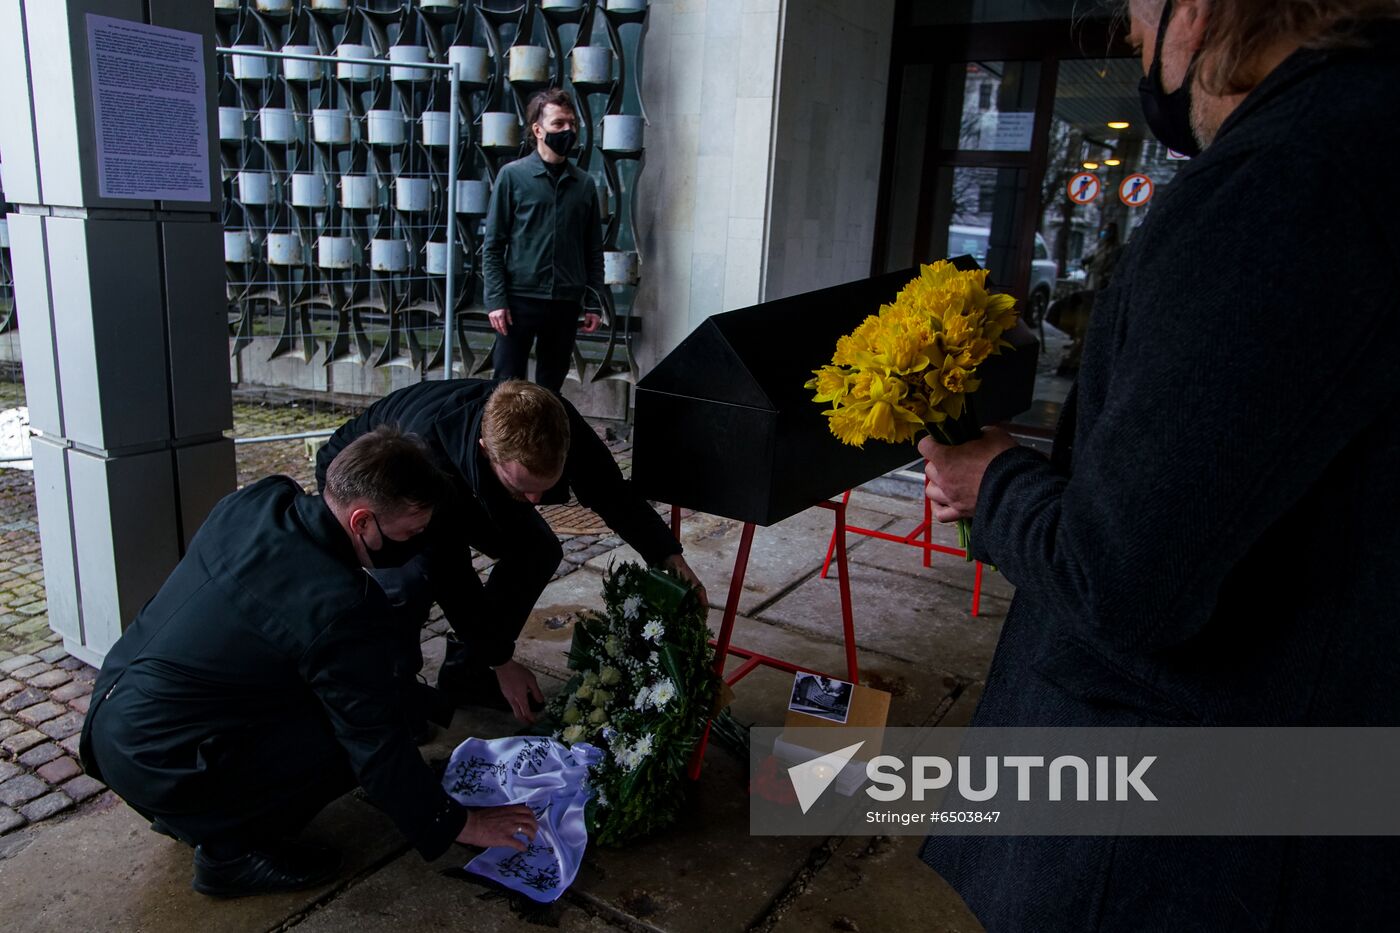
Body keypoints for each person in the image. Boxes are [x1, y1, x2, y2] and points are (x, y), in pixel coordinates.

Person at [918, 0, 1400, 929]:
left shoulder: (1289, 180)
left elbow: (1126, 574)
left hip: (1164, 845)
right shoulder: (1361, 140)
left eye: (1139, 9)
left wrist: (995, 482)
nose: (1136, 40)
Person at [79, 428, 539, 898]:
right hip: (161, 761)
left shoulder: (262, 499)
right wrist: (460, 823)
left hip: (112, 719)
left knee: (359, 699)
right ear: (362, 522)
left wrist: (426, 701)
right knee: (353, 740)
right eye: (410, 533)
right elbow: (374, 743)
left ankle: (196, 810)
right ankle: (228, 854)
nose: (418, 544)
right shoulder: (340, 606)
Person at [315, 378, 707, 725]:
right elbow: (451, 573)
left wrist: (668, 557)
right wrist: (503, 660)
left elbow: (611, 492)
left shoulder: (555, 422)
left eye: (544, 486)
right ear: (488, 450)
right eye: (523, 488)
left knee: (537, 549)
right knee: (410, 583)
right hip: (371, 485)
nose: (536, 499)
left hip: (466, 481)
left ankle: (467, 674)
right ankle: (393, 699)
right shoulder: (429, 453)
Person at [483, 88, 605, 392]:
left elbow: (593, 250)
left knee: (551, 388)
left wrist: (594, 302)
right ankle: (499, 441)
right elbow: (493, 245)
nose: (568, 130)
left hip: (565, 303)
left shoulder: (584, 185)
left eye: (572, 124)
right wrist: (496, 301)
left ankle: (545, 441)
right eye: (558, 124)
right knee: (507, 387)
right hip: (518, 302)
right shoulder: (512, 177)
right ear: (538, 130)